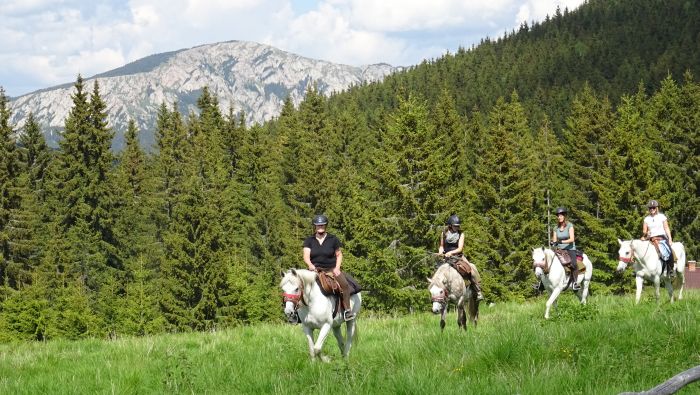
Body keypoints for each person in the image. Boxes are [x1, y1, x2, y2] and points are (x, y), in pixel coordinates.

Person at [303, 214, 355, 321]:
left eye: (322, 225)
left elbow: (339, 254)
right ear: (315, 227)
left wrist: (337, 268)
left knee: (344, 285)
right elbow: (306, 256)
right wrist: (310, 265)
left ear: (325, 226)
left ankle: (347, 311)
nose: (320, 227)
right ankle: (297, 314)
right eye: (318, 225)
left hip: (331, 268)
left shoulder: (333, 239)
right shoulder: (309, 240)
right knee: (300, 285)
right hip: (315, 269)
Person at [438, 214, 484, 301]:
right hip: (446, 258)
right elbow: (441, 246)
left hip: (458, 257)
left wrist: (450, 253)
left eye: (458, 226)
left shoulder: (461, 234)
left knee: (471, 269)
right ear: (450, 225)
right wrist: (441, 251)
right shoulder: (444, 233)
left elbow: (460, 248)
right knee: (436, 273)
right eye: (455, 226)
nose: (457, 227)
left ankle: (478, 291)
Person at [642, 199, 674, 276]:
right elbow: (644, 231)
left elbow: (666, 228)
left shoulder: (662, 217)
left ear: (656, 208)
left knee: (669, 250)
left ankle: (670, 269)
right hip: (651, 239)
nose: (652, 209)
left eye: (653, 207)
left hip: (662, 237)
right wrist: (646, 233)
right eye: (650, 208)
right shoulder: (646, 219)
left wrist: (670, 238)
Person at [551, 207, 580, 291]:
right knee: (547, 260)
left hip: (570, 249)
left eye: (561, 215)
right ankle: (541, 283)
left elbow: (572, 239)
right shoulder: (555, 228)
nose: (559, 217)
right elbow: (555, 239)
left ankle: (575, 283)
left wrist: (560, 242)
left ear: (564, 216)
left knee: (574, 264)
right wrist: (553, 242)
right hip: (560, 249)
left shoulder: (570, 226)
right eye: (558, 216)